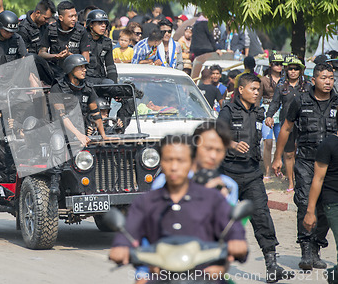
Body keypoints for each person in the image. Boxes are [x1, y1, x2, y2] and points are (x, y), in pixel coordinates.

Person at [109, 135, 248, 280]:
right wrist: (121, 245)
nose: (174, 167)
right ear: (161, 162)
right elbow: (129, 230)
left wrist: (237, 241)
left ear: (192, 163)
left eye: (180, 160)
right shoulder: (145, 202)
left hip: (203, 276)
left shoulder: (213, 199)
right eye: (168, 160)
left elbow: (231, 227)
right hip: (159, 276)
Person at [218, 73, 291, 282]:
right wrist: (232, 144)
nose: (257, 93)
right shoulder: (228, 110)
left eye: (258, 90)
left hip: (251, 174)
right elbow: (217, 132)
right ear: (241, 90)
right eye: (253, 89)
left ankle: (272, 266)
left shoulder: (259, 112)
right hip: (228, 175)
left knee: (262, 217)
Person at [273, 62, 337, 271]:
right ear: (313, 79)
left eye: (331, 78)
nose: (328, 82)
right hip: (306, 161)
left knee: (326, 205)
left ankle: (317, 246)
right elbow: (286, 128)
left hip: (332, 163)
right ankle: (306, 249)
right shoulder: (299, 100)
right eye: (324, 77)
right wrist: (277, 157)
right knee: (304, 201)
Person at [266, 56, 309, 192]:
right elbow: (275, 103)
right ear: (286, 70)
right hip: (287, 124)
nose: (293, 71)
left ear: (301, 71)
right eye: (290, 69)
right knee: (289, 153)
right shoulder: (281, 86)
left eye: (296, 69)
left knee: (302, 153)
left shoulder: (308, 86)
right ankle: (291, 182)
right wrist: (269, 116)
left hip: (304, 124)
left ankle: (303, 181)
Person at [50, 54, 110, 147]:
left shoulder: (88, 88)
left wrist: (104, 136)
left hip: (82, 131)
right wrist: (78, 135)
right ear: (71, 69)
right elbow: (62, 116)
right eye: (80, 67)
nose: (84, 70)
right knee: (57, 141)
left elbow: (96, 113)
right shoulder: (57, 88)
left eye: (84, 67)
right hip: (61, 133)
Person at [303, 125, 338, 284]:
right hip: (333, 203)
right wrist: (310, 211)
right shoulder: (328, 144)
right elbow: (317, 179)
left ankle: (334, 275)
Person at [38, 0, 90, 79]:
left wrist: (69, 55)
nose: (74, 19)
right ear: (61, 18)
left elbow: (86, 59)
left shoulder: (81, 31)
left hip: (75, 72)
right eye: (70, 16)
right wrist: (55, 56)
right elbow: (41, 53)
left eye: (75, 16)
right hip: (55, 70)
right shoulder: (50, 29)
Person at [17, 0, 56, 85]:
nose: (47, 21)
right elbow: (24, 58)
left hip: (48, 66)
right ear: (38, 13)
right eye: (45, 18)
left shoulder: (45, 26)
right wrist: (32, 78)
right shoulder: (23, 29)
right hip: (33, 68)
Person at [260, 53, 284, 180]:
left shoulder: (285, 80)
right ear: (270, 65)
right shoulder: (263, 80)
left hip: (282, 111)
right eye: (276, 63)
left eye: (281, 64)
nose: (279, 66)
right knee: (268, 142)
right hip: (266, 110)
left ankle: (279, 169)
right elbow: (258, 98)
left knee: (281, 142)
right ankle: (268, 171)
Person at [84, 9, 118, 83]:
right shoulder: (82, 39)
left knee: (110, 84)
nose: (103, 25)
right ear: (91, 24)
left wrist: (115, 86)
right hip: (84, 79)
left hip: (101, 79)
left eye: (105, 23)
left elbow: (110, 65)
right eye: (100, 23)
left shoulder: (107, 42)